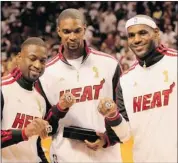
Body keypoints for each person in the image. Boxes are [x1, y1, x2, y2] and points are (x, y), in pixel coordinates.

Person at [39, 8, 129, 162]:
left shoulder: (110, 64)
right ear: (58, 31)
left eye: (77, 31)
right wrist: (59, 109)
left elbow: (124, 115)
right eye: (66, 31)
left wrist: (108, 139)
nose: (72, 37)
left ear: (85, 30)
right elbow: (45, 127)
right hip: (65, 156)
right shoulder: (45, 73)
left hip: (106, 157)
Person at [104, 15, 177, 162]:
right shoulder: (125, 81)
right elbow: (125, 135)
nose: (136, 40)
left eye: (142, 33)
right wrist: (112, 115)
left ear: (156, 33)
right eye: (131, 35)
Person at [1, 37, 76, 163]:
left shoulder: (40, 98)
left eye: (42, 61)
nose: (37, 65)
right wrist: (24, 133)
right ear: (19, 57)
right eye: (32, 58)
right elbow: (27, 133)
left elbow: (36, 145)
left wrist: (60, 107)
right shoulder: (3, 89)